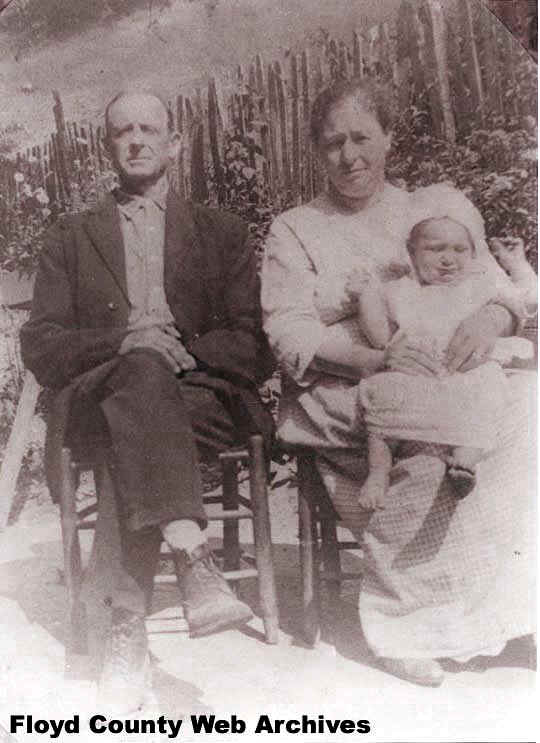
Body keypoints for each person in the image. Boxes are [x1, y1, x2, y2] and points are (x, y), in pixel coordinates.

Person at [261, 76, 536, 687]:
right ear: (316, 149)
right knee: (429, 433)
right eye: (333, 142)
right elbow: (288, 331)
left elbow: (500, 288)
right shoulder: (295, 228)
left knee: (529, 406)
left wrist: (492, 318)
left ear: (389, 137)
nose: (349, 156)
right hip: (344, 385)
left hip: (447, 373)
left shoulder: (426, 210)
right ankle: (405, 624)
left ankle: (503, 610)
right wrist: (372, 359)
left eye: (362, 138)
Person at [20, 89, 274, 713]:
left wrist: (182, 349)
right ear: (108, 147)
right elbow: (41, 344)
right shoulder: (71, 237)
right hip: (102, 391)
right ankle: (191, 553)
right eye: (122, 131)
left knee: (129, 434)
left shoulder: (221, 233)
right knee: (136, 374)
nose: (135, 140)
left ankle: (124, 635)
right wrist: (126, 341)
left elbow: (253, 340)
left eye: (148, 129)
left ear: (174, 142)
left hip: (196, 396)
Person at [351, 216, 536, 508]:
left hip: (466, 369)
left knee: (490, 387)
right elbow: (379, 337)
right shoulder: (399, 290)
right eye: (436, 249)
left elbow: (526, 300)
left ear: (473, 255)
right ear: (411, 253)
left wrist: (517, 266)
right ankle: (378, 473)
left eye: (460, 250)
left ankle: (466, 459)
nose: (448, 259)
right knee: (382, 394)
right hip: (416, 369)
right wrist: (365, 297)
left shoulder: (480, 285)